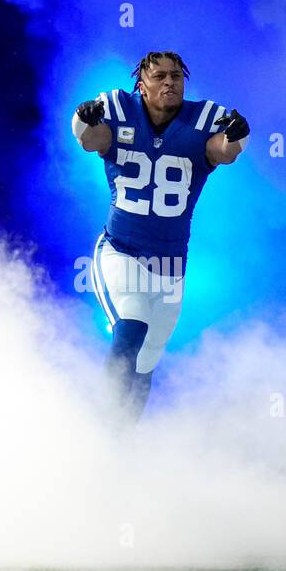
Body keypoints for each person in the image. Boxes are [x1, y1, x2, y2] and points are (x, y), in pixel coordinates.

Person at [71, 51, 249, 421]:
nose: (170, 82)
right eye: (160, 76)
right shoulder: (119, 111)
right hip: (121, 250)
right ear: (142, 84)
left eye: (176, 76)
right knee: (129, 332)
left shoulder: (202, 120)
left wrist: (237, 137)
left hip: (170, 264)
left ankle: (122, 444)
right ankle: (98, 437)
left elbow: (223, 152)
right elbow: (93, 139)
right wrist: (83, 122)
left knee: (146, 362)